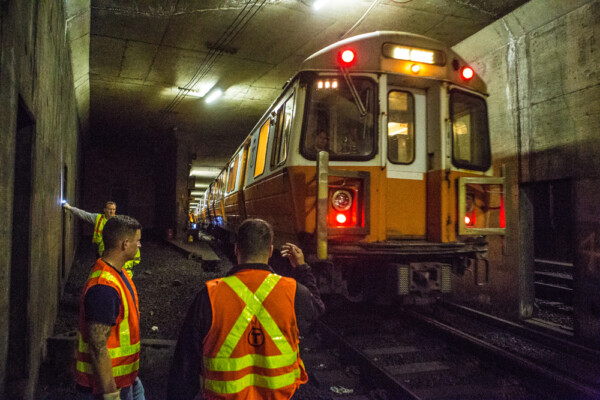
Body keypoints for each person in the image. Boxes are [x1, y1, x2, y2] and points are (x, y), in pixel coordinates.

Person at [167, 218, 325, 399]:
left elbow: (185, 364)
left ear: (236, 249)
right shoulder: (293, 291)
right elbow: (317, 308)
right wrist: (302, 268)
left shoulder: (209, 295)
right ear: (271, 250)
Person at [74, 215, 145, 400]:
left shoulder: (118, 275)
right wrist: (110, 393)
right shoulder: (103, 287)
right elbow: (97, 344)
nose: (139, 246)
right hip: (107, 387)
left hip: (126, 378)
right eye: (137, 241)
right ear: (124, 244)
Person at [63, 201, 140, 277]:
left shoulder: (119, 222)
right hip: (100, 251)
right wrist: (70, 208)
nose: (112, 211)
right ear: (105, 210)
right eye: (110, 209)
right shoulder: (99, 218)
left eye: (114, 209)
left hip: (114, 252)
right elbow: (84, 214)